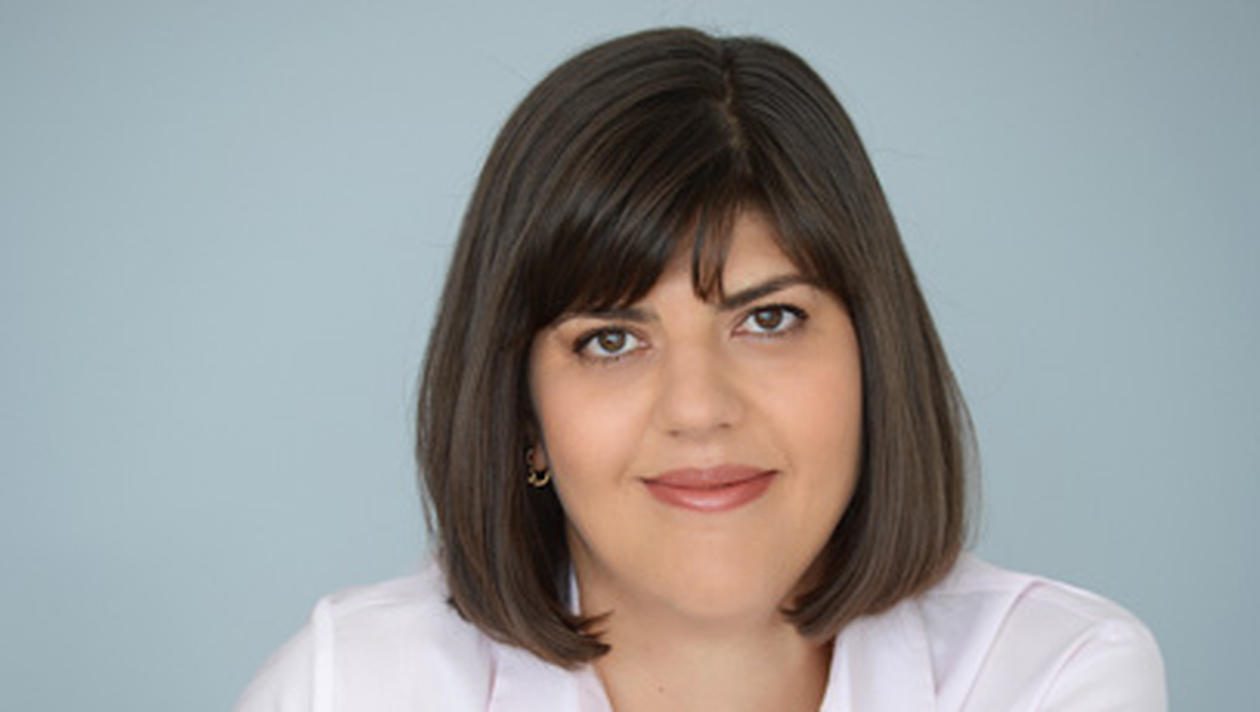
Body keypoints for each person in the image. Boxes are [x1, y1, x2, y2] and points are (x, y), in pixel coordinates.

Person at [234, 27, 1166, 711]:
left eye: (768, 319)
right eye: (611, 339)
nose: (698, 409)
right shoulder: (347, 689)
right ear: (524, 416)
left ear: (875, 357)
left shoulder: (1052, 678)